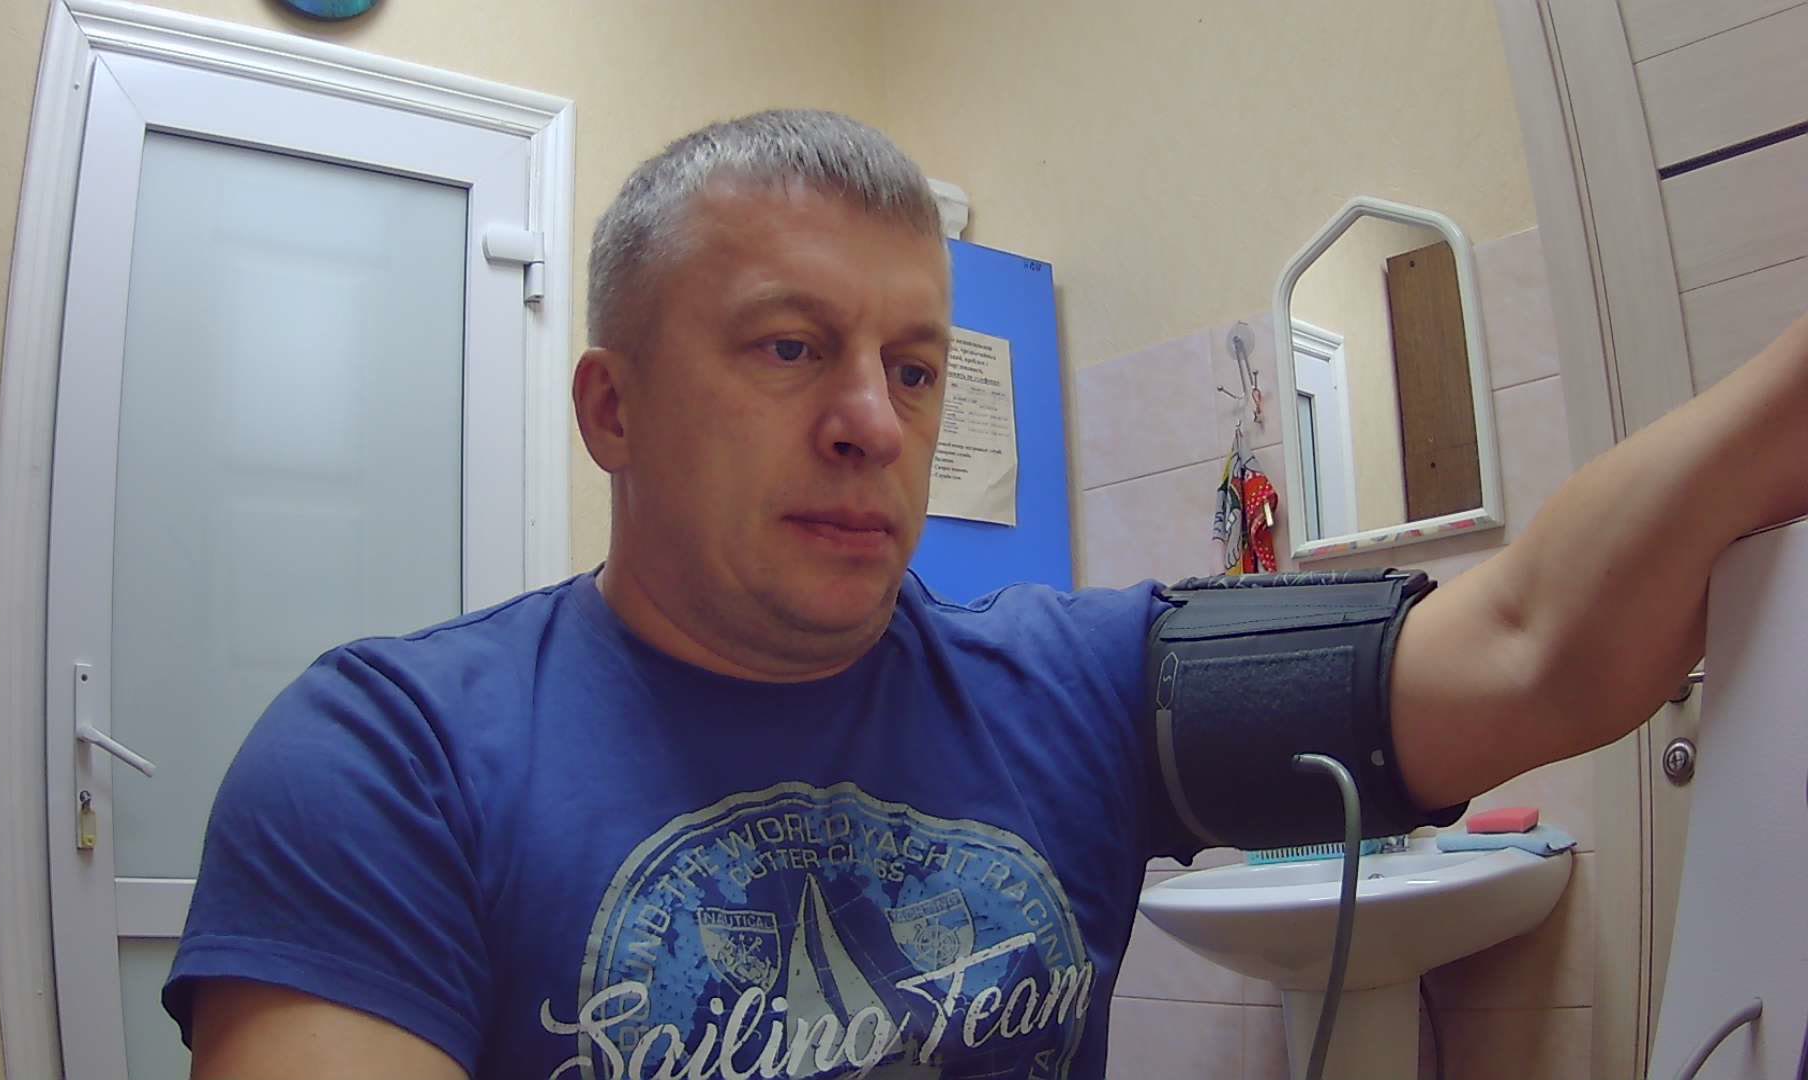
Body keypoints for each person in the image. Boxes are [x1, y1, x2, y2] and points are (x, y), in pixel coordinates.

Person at [165, 109, 1808, 1080]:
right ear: (613, 410)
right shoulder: (386, 760)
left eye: (914, 366)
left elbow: (1528, 640)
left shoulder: (1083, 685)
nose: (874, 424)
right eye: (789, 347)